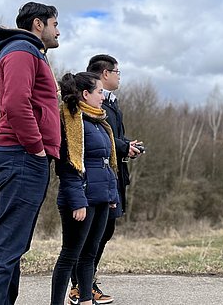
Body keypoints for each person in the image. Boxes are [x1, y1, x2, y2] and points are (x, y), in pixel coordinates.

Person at [0, 2, 60, 305]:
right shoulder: (22, 50)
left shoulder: (30, 52)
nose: (58, 30)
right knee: (6, 245)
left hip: (24, 157)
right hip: (22, 156)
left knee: (14, 245)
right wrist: (37, 147)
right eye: (55, 24)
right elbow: (14, 104)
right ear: (38, 24)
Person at [67, 54, 142, 304]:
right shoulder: (89, 107)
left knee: (105, 232)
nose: (120, 76)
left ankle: (86, 284)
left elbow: (110, 138)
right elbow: (92, 143)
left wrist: (126, 146)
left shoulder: (111, 103)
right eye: (117, 71)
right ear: (105, 74)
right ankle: (80, 286)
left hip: (113, 176)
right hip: (95, 180)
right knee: (90, 236)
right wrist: (123, 146)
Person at [50, 72, 119, 305]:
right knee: (70, 255)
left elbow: (105, 163)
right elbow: (68, 164)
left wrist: (112, 195)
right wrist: (77, 201)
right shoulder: (71, 121)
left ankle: (86, 300)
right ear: (85, 94)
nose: (103, 97)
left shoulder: (99, 121)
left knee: (89, 255)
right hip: (81, 200)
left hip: (100, 198)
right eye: (99, 92)